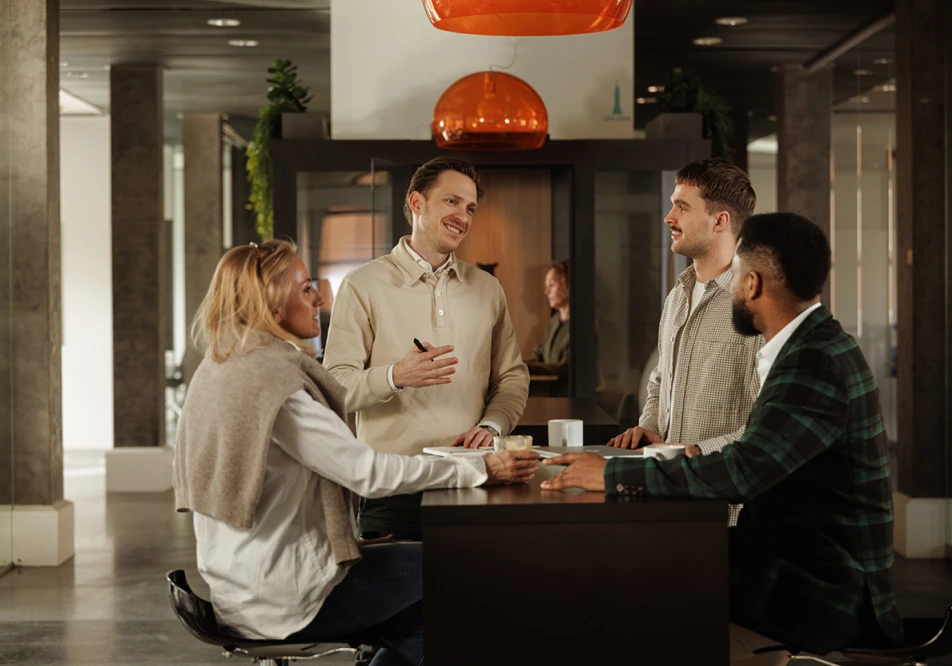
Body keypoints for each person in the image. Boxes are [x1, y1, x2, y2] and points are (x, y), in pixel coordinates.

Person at [541, 213, 904, 664]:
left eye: (734, 277)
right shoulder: (817, 344)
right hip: (800, 562)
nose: (729, 288)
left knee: (632, 594)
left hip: (825, 589)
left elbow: (742, 469)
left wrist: (617, 474)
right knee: (649, 573)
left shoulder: (814, 361)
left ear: (751, 284)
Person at [173, 240, 539, 666]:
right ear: (273, 305)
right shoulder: (277, 388)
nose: (319, 298)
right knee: (462, 572)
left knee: (425, 614)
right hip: (280, 595)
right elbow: (366, 472)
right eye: (306, 288)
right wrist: (479, 470)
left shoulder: (223, 365)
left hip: (241, 579)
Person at [324, 157, 530, 540]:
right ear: (417, 203)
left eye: (470, 208)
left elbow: (513, 377)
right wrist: (394, 376)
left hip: (473, 483)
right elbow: (335, 386)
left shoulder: (487, 289)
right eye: (451, 202)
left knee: (473, 599)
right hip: (391, 487)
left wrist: (492, 424)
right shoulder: (361, 285)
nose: (463, 217)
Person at [607, 158, 761, 527]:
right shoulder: (678, 293)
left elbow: (764, 425)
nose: (668, 217)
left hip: (726, 513)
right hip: (672, 497)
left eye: (682, 206)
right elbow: (662, 377)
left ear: (720, 220)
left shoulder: (756, 305)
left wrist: (693, 452)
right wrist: (650, 427)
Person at [526, 259, 571, 387]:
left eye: (551, 285)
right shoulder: (554, 321)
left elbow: (565, 368)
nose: (547, 292)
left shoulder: (581, 325)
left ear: (567, 285)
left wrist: (519, 368)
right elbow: (538, 355)